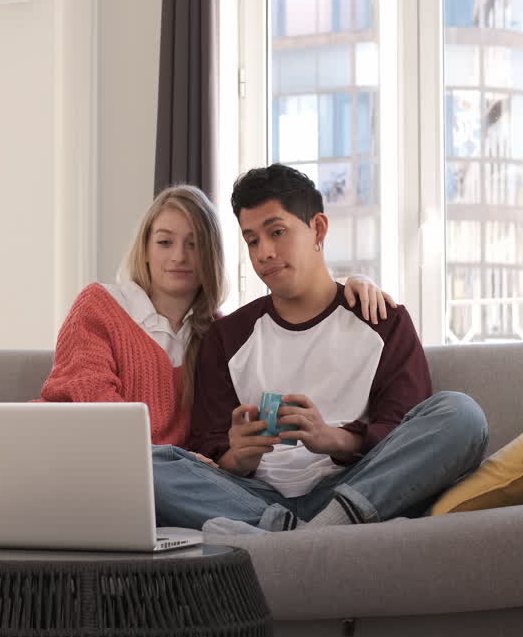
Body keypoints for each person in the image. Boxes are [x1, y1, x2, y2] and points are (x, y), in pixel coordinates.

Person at [0, 184, 397, 586]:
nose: (179, 256)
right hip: (70, 464)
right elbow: (95, 413)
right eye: (165, 240)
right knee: (132, 478)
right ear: (144, 247)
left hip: (158, 486)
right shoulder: (102, 305)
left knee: (161, 486)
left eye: (194, 243)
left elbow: (205, 447)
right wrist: (191, 464)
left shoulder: (218, 337)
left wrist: (354, 282)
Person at [150, 164, 489, 534]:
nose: (264, 252)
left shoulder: (382, 320)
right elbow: (209, 448)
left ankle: (315, 530)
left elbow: (402, 427)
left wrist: (333, 439)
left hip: (354, 486)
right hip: (255, 496)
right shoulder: (225, 337)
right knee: (149, 465)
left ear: (318, 229)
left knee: (462, 414)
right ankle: (300, 534)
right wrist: (237, 456)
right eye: (252, 240)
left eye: (277, 232)